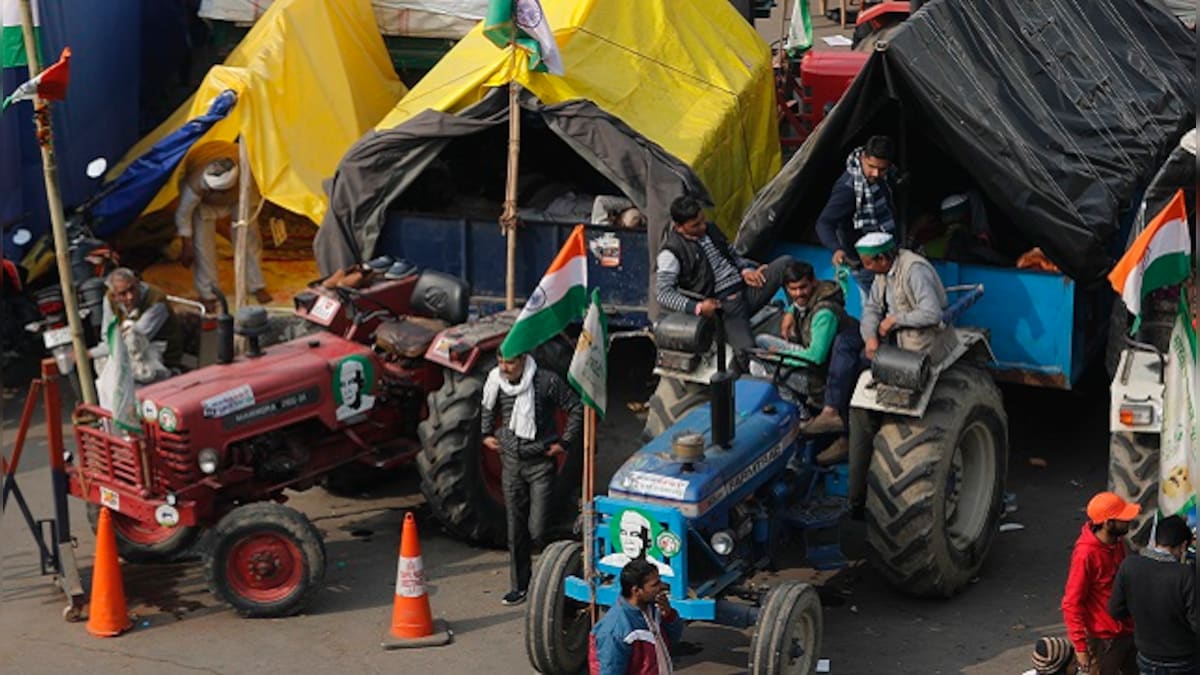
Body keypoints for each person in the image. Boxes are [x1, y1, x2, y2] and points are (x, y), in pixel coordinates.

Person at [845, 232, 955, 515]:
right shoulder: (882, 276)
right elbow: (871, 309)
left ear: (883, 258)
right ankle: (857, 494)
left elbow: (932, 313)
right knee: (859, 398)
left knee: (902, 405)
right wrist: (870, 336)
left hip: (924, 346)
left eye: (869, 263)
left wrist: (895, 320)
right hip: (895, 346)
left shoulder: (914, 269)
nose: (866, 268)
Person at [481, 350, 583, 606]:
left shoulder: (546, 381)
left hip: (540, 464)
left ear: (524, 359)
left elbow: (576, 407)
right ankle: (520, 586)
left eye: (511, 362)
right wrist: (485, 434)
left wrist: (565, 443)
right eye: (501, 361)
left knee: (538, 530)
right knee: (515, 531)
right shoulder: (496, 381)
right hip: (511, 464)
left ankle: (560, 575)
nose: (505, 367)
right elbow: (486, 406)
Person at [656, 194, 794, 359]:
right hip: (725, 309)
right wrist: (697, 307)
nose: (702, 227)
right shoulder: (671, 253)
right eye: (695, 225)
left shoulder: (711, 229)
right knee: (747, 353)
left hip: (747, 290)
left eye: (702, 220)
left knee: (787, 264)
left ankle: (797, 316)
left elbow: (733, 256)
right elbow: (663, 293)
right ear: (679, 227)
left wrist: (746, 270)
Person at [754, 260, 863, 435]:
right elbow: (798, 303)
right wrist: (790, 312)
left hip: (818, 377)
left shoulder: (824, 314)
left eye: (803, 287)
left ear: (813, 282)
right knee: (761, 341)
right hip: (808, 355)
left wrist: (779, 356)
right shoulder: (810, 298)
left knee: (763, 366)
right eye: (793, 289)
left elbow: (816, 357)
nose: (798, 294)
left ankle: (803, 418)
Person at [175, 140, 272, 310]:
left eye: (219, 193)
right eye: (212, 191)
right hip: (203, 205)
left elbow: (249, 217)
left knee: (249, 239)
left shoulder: (247, 176)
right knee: (202, 247)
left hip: (240, 198)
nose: (215, 196)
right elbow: (184, 212)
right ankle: (208, 293)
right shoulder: (196, 182)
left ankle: (256, 284)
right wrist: (186, 243)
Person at [1108, 515, 1198, 674]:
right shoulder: (1185, 575)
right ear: (1183, 546)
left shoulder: (1129, 565)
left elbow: (1115, 610)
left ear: (1156, 540)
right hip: (1182, 659)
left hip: (1147, 657)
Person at [1061, 492, 1139, 675]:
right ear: (1108, 523)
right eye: (1123, 519)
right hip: (1103, 639)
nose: (1129, 521)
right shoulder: (1085, 555)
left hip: (1126, 632)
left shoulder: (1118, 542)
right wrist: (1081, 649)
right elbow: (1071, 603)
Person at [815, 135, 899, 295]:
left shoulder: (884, 178)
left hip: (888, 256)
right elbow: (824, 223)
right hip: (867, 265)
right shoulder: (849, 188)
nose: (875, 173)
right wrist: (836, 249)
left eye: (882, 169)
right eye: (871, 166)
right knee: (879, 308)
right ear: (862, 157)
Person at [589, 559, 683, 675]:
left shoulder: (654, 609)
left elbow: (674, 638)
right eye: (655, 584)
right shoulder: (614, 630)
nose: (662, 587)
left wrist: (669, 615)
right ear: (636, 590)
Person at [100, 267, 184, 380]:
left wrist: (95, 352)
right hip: (128, 348)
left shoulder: (156, 300)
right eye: (123, 294)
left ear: (138, 283)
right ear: (115, 295)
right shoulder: (109, 298)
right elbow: (107, 335)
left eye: (132, 289)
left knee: (133, 373)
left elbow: (136, 340)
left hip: (159, 352)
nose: (130, 296)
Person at [598, 509, 674, 577]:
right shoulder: (610, 561)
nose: (628, 540)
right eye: (624, 533)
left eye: (634, 535)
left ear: (648, 540)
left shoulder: (662, 570)